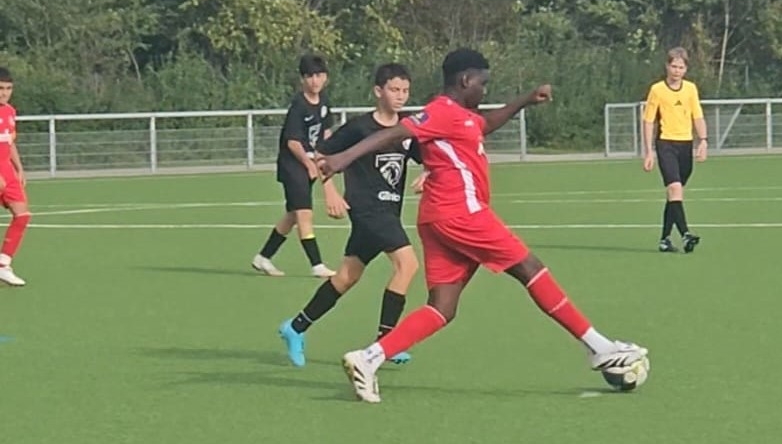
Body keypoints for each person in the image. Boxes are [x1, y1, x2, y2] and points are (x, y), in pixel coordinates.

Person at [318, 48, 648, 403]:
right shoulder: (441, 111)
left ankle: (368, 359)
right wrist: (342, 158)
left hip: (439, 217)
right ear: (465, 80)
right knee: (530, 268)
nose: (485, 89)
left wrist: (524, 100)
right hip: (461, 212)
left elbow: (485, 124)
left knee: (443, 307)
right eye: (483, 82)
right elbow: (397, 132)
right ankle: (599, 347)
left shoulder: (463, 117)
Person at [277, 63, 425, 367]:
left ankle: (296, 327)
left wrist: (430, 172)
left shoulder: (406, 128)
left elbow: (428, 157)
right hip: (367, 210)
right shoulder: (359, 128)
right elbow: (321, 155)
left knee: (347, 277)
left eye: (405, 91)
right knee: (408, 264)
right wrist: (330, 191)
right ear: (378, 91)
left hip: (389, 211)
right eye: (394, 90)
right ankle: (386, 342)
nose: (400, 96)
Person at [251, 54, 343, 278]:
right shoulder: (298, 106)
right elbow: (292, 142)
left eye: (319, 75)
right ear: (302, 79)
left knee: (292, 215)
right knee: (304, 215)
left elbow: (326, 132)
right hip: (293, 165)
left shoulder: (324, 102)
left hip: (309, 162)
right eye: (309, 76)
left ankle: (263, 257)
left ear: (326, 78)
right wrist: (308, 163)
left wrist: (325, 156)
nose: (315, 81)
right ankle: (317, 265)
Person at [642, 47, 708, 253]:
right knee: (675, 189)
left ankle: (665, 240)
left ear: (685, 69)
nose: (677, 71)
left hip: (685, 145)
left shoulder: (690, 89)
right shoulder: (657, 90)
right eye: (673, 66)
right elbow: (648, 121)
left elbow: (697, 115)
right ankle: (686, 234)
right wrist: (649, 151)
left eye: (681, 67)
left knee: (674, 195)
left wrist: (703, 141)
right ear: (667, 66)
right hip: (666, 144)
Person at [0, 67, 30, 287]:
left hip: (7, 170)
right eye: (0, 88)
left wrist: (19, 168)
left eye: (8, 88)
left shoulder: (10, 111)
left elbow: (9, 143)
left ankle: (3, 265)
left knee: (22, 215)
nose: (4, 93)